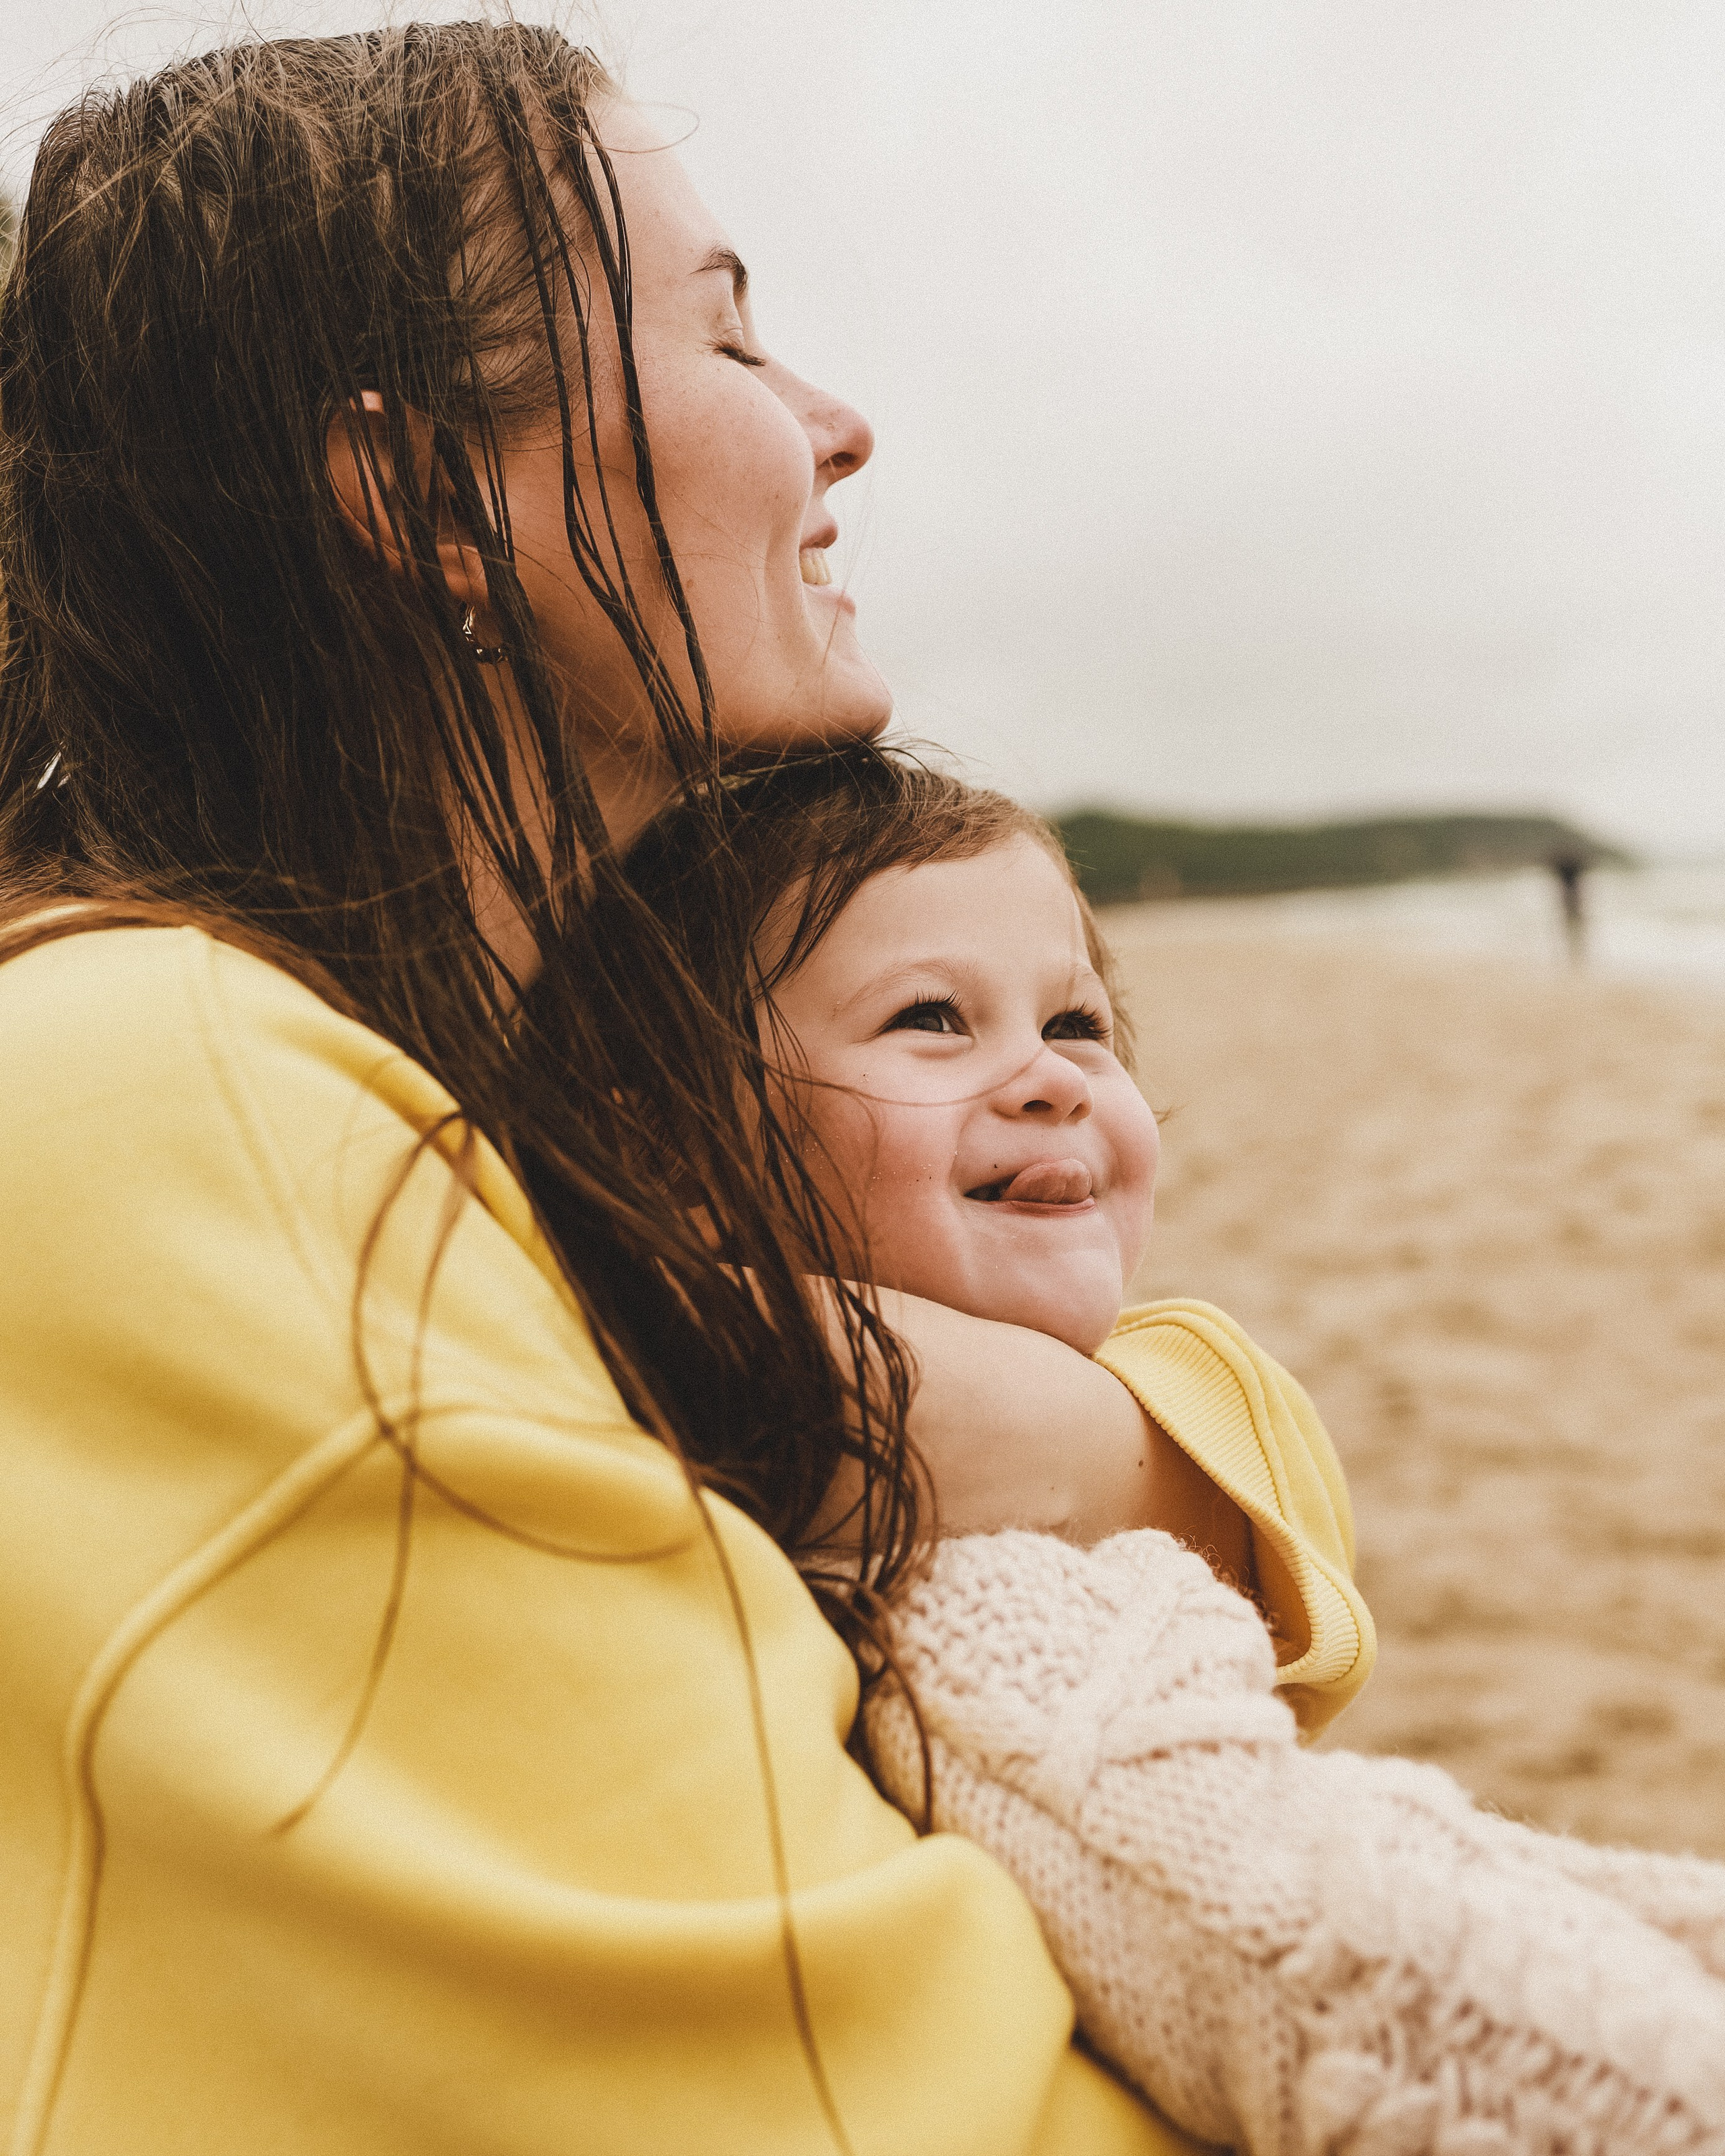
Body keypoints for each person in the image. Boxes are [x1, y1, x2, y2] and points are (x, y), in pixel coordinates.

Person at [0, 26, 1242, 2155]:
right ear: (421, 500)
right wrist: (993, 1426)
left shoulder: (447, 1098)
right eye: (728, 333)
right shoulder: (179, 1098)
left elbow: (1250, 1463)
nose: (839, 426)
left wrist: (996, 1416)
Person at [621, 747, 1725, 2156]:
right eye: (928, 1020)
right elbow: (1349, 1967)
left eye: (1076, 1021)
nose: (1041, 1076)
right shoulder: (957, 1585)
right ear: (675, 1143)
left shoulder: (1167, 1370)